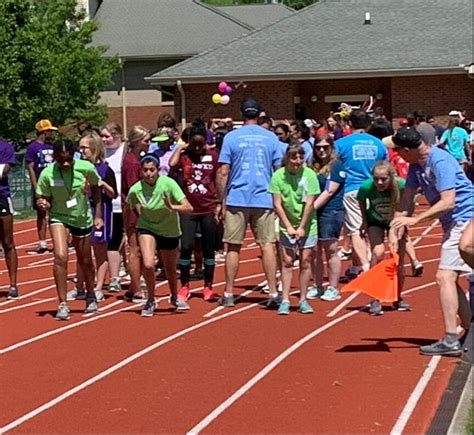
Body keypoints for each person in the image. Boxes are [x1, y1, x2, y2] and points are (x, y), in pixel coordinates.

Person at [385, 126, 473, 356]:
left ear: (407, 150)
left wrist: (415, 220)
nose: (396, 157)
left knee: (444, 276)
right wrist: (396, 227)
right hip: (452, 222)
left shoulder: (440, 161)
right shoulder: (416, 165)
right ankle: (468, 327)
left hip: (465, 216)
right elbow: (406, 198)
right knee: (449, 279)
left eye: (398, 152)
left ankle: (451, 338)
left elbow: (448, 202)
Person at [216, 97, 281, 307]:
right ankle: (272, 292)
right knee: (267, 245)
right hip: (265, 197)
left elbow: (223, 172)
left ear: (241, 113)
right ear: (259, 113)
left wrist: (221, 200)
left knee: (233, 246)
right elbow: (278, 170)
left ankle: (228, 293)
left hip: (237, 196)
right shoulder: (271, 138)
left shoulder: (231, 137)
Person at [36, 140, 103, 320]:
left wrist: (98, 214)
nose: (65, 164)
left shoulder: (86, 168)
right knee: (60, 255)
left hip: (81, 217)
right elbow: (42, 197)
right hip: (58, 216)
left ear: (73, 156)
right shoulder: (47, 173)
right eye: (60, 160)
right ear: (55, 158)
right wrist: (43, 203)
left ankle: (90, 294)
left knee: (85, 259)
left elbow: (97, 190)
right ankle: (62, 303)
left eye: (68, 160)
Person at [126, 154, 193, 317]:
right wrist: (134, 223)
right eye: (145, 170)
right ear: (141, 171)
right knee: (148, 264)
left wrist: (172, 206)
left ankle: (174, 296)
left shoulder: (168, 184)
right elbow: (131, 204)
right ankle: (150, 299)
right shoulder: (135, 189)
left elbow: (188, 207)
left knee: (170, 268)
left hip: (169, 228)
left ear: (158, 170)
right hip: (147, 227)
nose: (149, 174)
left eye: (152, 170)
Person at [357, 160, 419, 315]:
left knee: (398, 260)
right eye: (376, 178)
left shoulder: (402, 185)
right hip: (375, 221)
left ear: (391, 177)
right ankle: (374, 298)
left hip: (396, 222)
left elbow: (411, 203)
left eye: (383, 179)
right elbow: (361, 201)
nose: (379, 182)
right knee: (377, 254)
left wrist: (404, 222)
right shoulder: (366, 186)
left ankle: (397, 297)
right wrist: (364, 222)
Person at [169, 121, 219, 303]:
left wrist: (220, 204)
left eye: (200, 144)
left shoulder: (213, 156)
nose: (197, 148)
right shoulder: (184, 156)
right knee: (187, 246)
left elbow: (219, 179)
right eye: (194, 144)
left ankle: (208, 286)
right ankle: (184, 285)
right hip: (188, 209)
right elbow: (172, 164)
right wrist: (181, 147)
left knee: (208, 248)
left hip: (207, 207)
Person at [335, 109, 387, 280]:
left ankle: (367, 268)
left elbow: (333, 165)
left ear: (349, 124)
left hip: (352, 188)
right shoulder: (378, 144)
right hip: (374, 187)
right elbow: (384, 166)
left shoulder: (341, 144)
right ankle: (356, 266)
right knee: (369, 227)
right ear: (368, 124)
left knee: (355, 230)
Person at [67, 132, 117, 301]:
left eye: (84, 147)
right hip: (80, 212)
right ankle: (79, 286)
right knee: (82, 251)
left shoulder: (104, 169)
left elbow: (114, 194)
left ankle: (98, 287)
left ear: (94, 148)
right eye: (80, 147)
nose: (81, 151)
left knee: (99, 250)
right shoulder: (77, 167)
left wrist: (100, 183)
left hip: (101, 211)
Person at [268, 144, 319, 315]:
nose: (297, 161)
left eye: (300, 157)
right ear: (287, 158)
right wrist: (288, 226)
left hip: (307, 222)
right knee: (287, 261)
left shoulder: (310, 175)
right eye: (294, 157)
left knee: (305, 261)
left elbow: (310, 202)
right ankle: (285, 299)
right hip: (286, 222)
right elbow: (277, 203)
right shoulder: (277, 176)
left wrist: (302, 226)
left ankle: (303, 299)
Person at [308, 135, 346, 301]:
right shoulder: (312, 166)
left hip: (330, 211)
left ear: (331, 148)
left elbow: (329, 191)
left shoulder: (336, 166)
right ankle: (317, 285)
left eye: (325, 147)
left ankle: (332, 287)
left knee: (330, 249)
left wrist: (310, 209)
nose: (321, 150)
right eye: (318, 147)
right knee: (314, 251)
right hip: (314, 212)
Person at [121, 126, 151, 302]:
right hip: (134, 210)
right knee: (135, 250)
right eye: (146, 141)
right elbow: (134, 191)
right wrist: (142, 213)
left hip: (136, 208)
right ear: (137, 142)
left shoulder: (134, 159)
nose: (149, 144)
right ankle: (137, 288)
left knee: (139, 249)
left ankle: (133, 287)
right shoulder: (132, 162)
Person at [25, 119, 58, 253]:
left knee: (56, 212)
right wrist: (35, 185)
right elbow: (30, 167)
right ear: (43, 131)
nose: (51, 133)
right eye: (49, 130)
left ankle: (58, 240)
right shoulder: (33, 147)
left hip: (55, 184)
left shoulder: (52, 146)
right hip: (41, 184)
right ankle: (42, 243)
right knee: (41, 213)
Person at [101, 123, 126, 293]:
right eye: (102, 136)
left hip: (123, 202)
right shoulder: (100, 152)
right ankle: (113, 276)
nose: (104, 140)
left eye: (107, 136)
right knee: (111, 242)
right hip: (107, 204)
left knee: (121, 240)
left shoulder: (125, 150)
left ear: (117, 135)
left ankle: (119, 273)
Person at [0, 138, 19, 299]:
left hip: (2, 197)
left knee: (8, 242)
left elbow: (3, 171)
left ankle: (13, 284)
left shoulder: (5, 147)